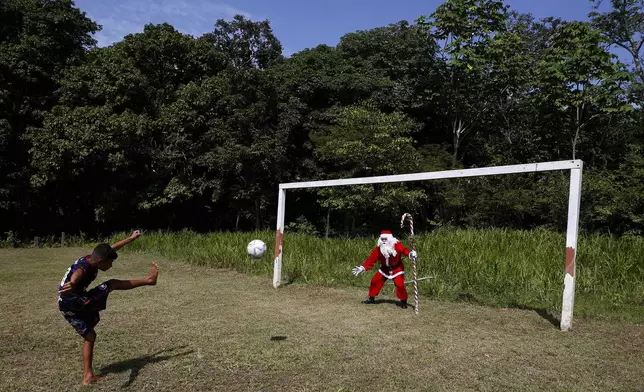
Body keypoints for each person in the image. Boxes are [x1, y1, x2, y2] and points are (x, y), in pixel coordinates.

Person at [57, 230, 159, 385]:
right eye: (110, 263)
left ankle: (88, 376)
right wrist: (72, 282)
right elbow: (77, 273)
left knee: (90, 336)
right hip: (75, 302)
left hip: (67, 304)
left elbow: (112, 248)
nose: (111, 265)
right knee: (112, 283)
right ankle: (149, 280)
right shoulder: (85, 267)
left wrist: (130, 239)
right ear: (100, 262)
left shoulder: (93, 258)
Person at [352, 230, 417, 308]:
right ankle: (371, 299)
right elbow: (372, 258)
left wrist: (410, 253)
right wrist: (363, 267)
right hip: (384, 269)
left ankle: (403, 301)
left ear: (389, 239)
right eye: (382, 239)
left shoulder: (397, 245)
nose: (383, 241)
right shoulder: (379, 248)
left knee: (400, 284)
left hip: (397, 269)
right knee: (375, 281)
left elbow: (404, 250)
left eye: (385, 239)